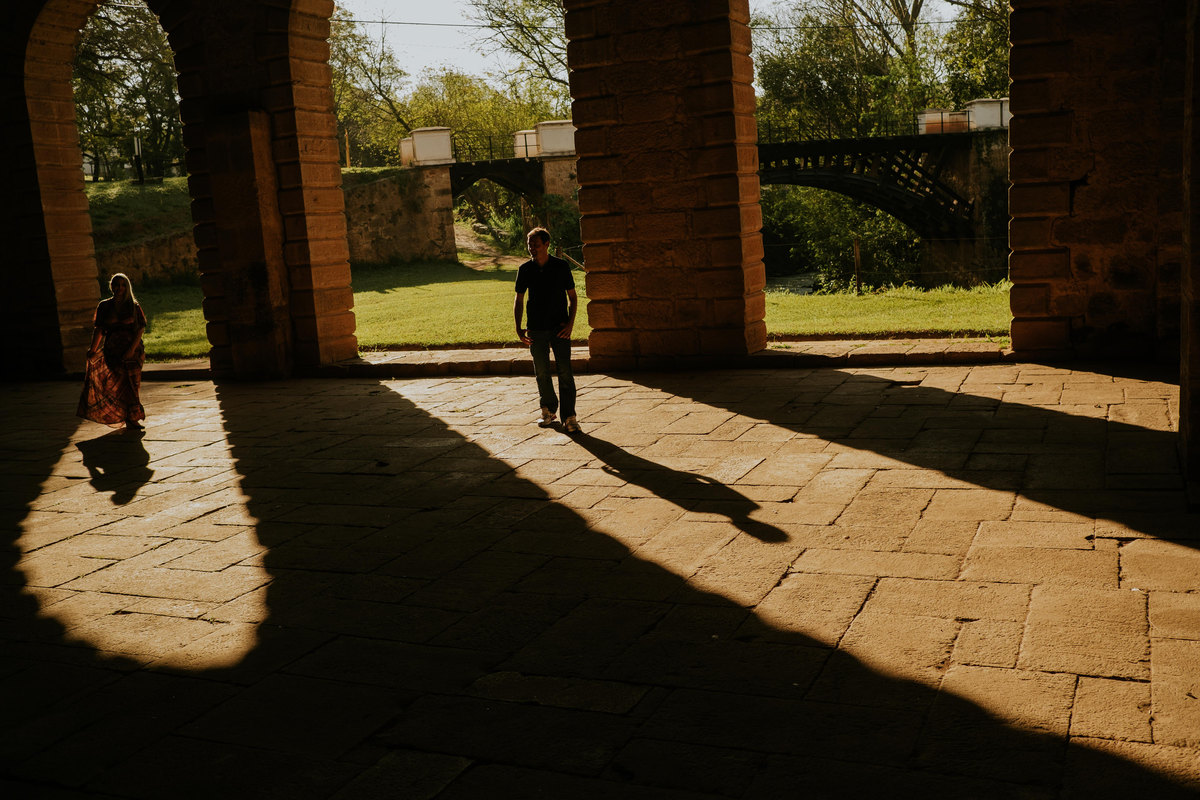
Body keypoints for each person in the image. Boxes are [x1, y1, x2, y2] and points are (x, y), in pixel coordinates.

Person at [514, 227, 579, 433]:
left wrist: (570, 324)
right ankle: (548, 410)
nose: (531, 248)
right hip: (536, 328)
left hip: (559, 327)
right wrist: (518, 327)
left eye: (535, 244)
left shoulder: (561, 266)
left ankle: (569, 417)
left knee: (565, 372)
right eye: (529, 244)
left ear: (547, 244)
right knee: (541, 372)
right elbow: (519, 299)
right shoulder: (525, 269)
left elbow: (573, 297)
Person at [77, 272, 147, 432]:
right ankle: (125, 416)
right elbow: (99, 330)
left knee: (132, 384)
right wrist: (93, 349)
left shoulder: (133, 306)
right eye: (116, 284)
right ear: (111, 286)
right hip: (113, 350)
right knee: (118, 385)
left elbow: (140, 330)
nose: (119, 288)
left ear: (127, 287)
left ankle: (133, 417)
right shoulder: (104, 306)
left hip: (133, 350)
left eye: (123, 285)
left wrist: (131, 350)